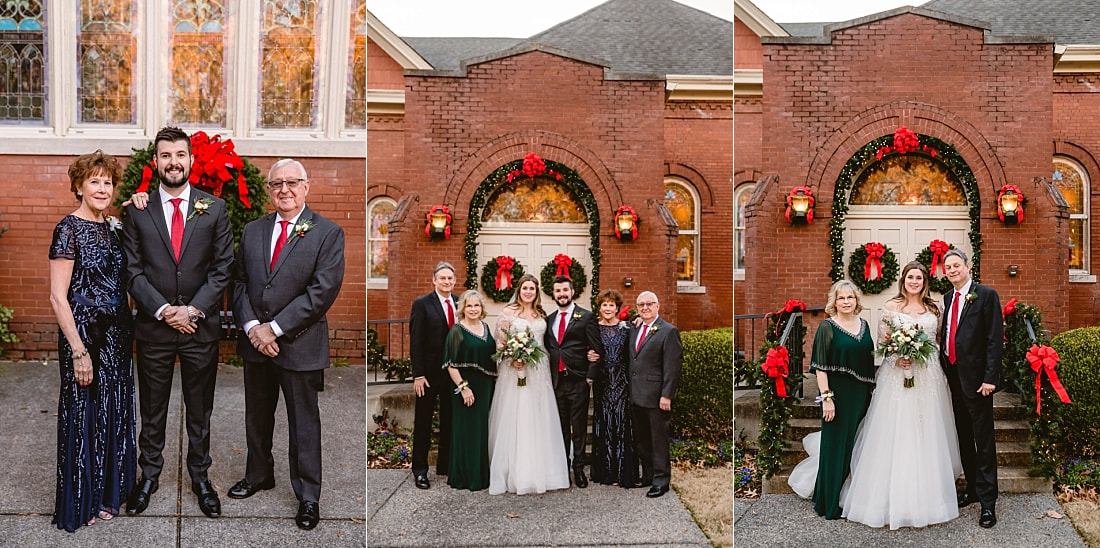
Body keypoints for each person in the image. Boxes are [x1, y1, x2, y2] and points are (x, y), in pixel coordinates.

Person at [122, 126, 234, 519]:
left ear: (191, 160)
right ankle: (148, 475)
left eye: (180, 155)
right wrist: (164, 310)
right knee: (152, 409)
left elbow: (223, 269)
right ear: (156, 162)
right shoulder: (138, 210)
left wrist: (194, 310)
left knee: (199, 408)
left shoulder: (214, 208)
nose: (173, 162)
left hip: (199, 329)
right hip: (154, 328)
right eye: (165, 156)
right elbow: (132, 271)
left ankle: (200, 477)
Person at [229, 159, 345, 530]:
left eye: (292, 182)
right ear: (269, 190)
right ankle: (259, 474)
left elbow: (321, 292)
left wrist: (274, 329)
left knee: (303, 425)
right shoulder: (252, 231)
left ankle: (308, 496)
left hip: (299, 344)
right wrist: (252, 327)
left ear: (306, 187)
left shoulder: (327, 233)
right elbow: (240, 282)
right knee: (257, 418)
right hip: (255, 343)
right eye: (277, 183)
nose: (285, 189)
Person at [49, 151, 146, 531]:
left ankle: (110, 492)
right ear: (78, 186)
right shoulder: (67, 229)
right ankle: (82, 498)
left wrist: (136, 203)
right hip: (84, 334)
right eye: (94, 181)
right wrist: (77, 350)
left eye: (107, 182)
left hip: (118, 335)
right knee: (84, 411)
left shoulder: (114, 227)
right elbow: (58, 297)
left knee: (112, 409)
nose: (102, 188)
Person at [840, 262, 962, 529]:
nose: (914, 282)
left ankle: (929, 497)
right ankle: (885, 498)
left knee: (926, 428)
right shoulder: (891, 307)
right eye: (910, 277)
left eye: (919, 278)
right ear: (903, 280)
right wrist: (897, 359)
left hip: (928, 375)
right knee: (896, 429)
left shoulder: (934, 309)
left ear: (925, 281)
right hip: (898, 374)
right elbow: (883, 344)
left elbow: (939, 341)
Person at [788, 280, 874, 518]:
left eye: (850, 297)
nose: (846, 302)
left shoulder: (864, 324)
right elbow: (821, 367)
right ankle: (827, 502)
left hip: (860, 395)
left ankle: (843, 496)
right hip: (836, 394)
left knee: (853, 447)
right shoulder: (827, 327)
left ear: (856, 300)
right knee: (834, 448)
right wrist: (826, 398)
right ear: (834, 302)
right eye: (841, 298)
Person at [488, 274, 570, 495]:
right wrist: (511, 357)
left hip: (539, 369)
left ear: (536, 292)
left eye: (532, 289)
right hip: (515, 370)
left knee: (539, 415)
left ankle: (544, 471)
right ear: (519, 290)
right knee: (517, 414)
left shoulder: (541, 314)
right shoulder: (508, 313)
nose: (528, 292)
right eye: (525, 288)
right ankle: (513, 471)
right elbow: (500, 342)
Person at [941, 249, 1003, 528]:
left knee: (983, 439)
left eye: (957, 265)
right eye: (948, 267)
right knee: (964, 436)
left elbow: (994, 339)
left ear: (968, 266)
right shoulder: (947, 297)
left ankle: (988, 502)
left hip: (979, 382)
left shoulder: (986, 295)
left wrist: (990, 378)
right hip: (953, 378)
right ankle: (974, 489)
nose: (952, 270)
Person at [627, 291, 683, 498]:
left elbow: (672, 367)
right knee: (642, 440)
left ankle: (661, 481)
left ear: (658, 306)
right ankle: (648, 476)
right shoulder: (634, 329)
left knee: (658, 441)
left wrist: (666, 395)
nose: (645, 308)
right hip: (636, 395)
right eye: (640, 304)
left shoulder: (668, 331)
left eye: (649, 304)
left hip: (656, 397)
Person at [408, 262, 459, 489]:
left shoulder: (460, 303)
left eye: (450, 278)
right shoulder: (422, 304)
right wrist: (418, 374)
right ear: (434, 280)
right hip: (428, 375)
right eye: (443, 278)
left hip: (453, 374)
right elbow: (416, 341)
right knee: (423, 423)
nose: (447, 282)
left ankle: (445, 466)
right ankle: (420, 471)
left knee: (449, 420)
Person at [441, 290, 496, 491]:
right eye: (469, 306)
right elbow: (450, 364)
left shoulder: (486, 327)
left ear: (482, 308)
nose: (473, 309)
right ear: (463, 308)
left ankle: (480, 475)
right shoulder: (457, 330)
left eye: (477, 306)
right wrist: (464, 388)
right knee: (466, 431)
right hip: (465, 386)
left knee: (481, 430)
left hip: (485, 386)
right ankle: (464, 477)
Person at [544, 275, 595, 487]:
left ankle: (579, 469)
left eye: (565, 290)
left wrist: (590, 375)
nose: (562, 294)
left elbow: (595, 349)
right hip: (556, 382)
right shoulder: (549, 319)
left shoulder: (586, 317)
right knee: (561, 428)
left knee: (579, 428)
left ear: (572, 292)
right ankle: (563, 468)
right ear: (553, 294)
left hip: (578, 381)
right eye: (558, 291)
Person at [586, 289, 639, 488]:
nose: (608, 308)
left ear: (617, 308)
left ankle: (622, 472)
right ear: (599, 308)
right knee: (605, 423)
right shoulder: (593, 329)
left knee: (622, 424)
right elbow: (585, 347)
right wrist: (588, 355)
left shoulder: (627, 328)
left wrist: (639, 322)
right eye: (604, 305)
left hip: (623, 382)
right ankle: (606, 471)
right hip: (602, 383)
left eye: (611, 305)